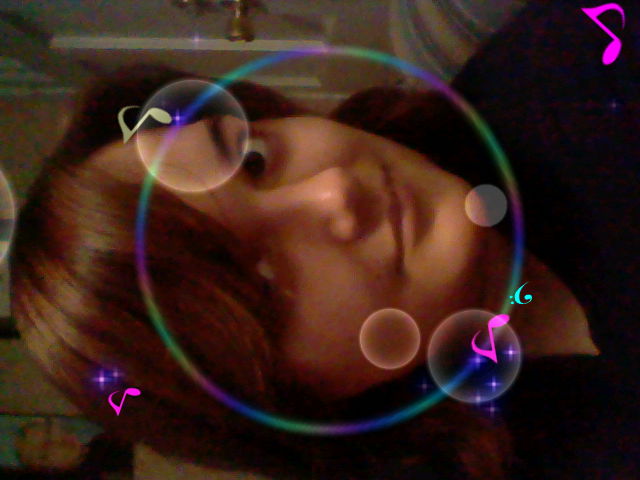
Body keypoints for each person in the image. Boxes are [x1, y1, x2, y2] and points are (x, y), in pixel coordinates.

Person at [10, 1, 639, 478]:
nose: (334, 193)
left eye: (253, 158)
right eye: (263, 283)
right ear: (287, 412)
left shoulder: (580, 68)